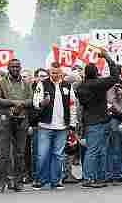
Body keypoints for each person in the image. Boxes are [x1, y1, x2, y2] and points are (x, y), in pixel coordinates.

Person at [77, 51, 120, 189]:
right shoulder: (99, 84)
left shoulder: (81, 87)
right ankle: (91, 178)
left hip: (90, 121)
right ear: (96, 72)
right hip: (101, 120)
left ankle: (96, 177)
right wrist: (107, 58)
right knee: (97, 150)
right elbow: (115, 76)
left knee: (95, 150)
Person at [32, 62, 78, 190]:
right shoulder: (42, 84)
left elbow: (72, 105)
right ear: (49, 72)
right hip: (45, 125)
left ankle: (56, 180)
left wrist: (72, 124)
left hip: (62, 126)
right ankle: (40, 180)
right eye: (52, 73)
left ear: (61, 73)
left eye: (57, 73)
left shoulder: (67, 86)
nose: (55, 75)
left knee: (58, 155)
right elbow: (35, 102)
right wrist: (42, 103)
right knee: (42, 154)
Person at [0, 59, 34, 193]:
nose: (15, 69)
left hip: (22, 120)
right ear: (8, 68)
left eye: (17, 67)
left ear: (20, 68)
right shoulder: (1, 82)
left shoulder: (26, 83)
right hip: (6, 120)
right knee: (4, 153)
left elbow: (32, 100)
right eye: (13, 67)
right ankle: (1, 183)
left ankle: (18, 182)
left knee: (20, 153)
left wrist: (21, 105)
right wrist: (13, 103)